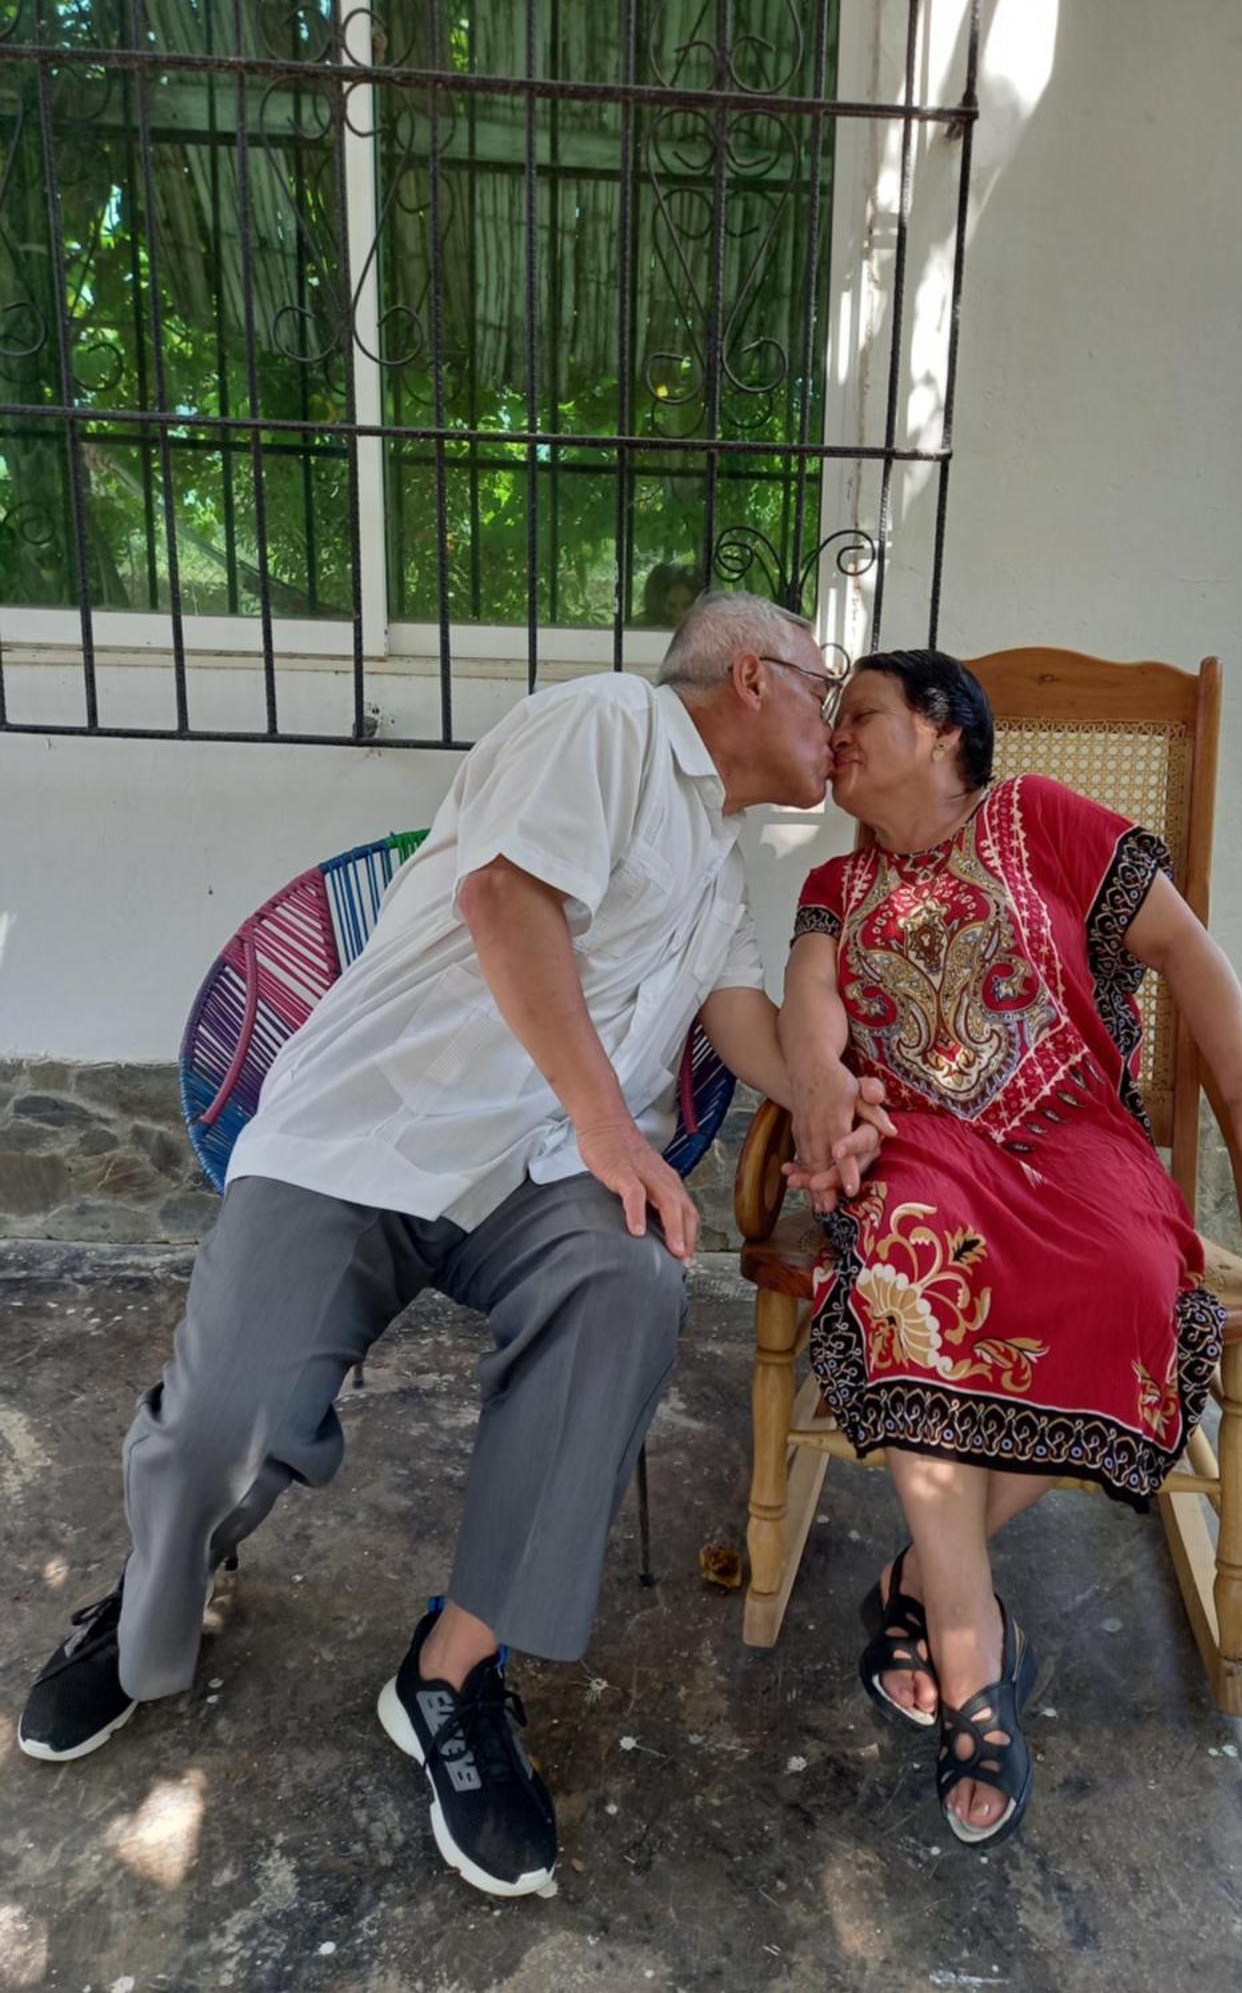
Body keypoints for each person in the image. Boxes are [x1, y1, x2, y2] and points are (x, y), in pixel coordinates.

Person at [17, 591, 889, 1901]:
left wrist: (819, 1094)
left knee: (633, 1281)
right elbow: (504, 897)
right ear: (755, 677)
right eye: (828, 691)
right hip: (370, 1137)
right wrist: (613, 1121)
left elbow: (740, 1021)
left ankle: (450, 1674)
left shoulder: (723, 860)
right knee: (222, 1428)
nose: (837, 724)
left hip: (540, 1182)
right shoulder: (608, 728)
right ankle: (159, 1575)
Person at [779, 650, 1242, 1848]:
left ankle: (914, 1584)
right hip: (919, 1144)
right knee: (911, 1271)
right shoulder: (832, 880)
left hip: (1076, 1134)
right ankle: (978, 1657)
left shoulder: (1044, 817)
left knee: (1133, 1284)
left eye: (861, 713)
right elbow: (809, 994)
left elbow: (1185, 952)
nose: (837, 737)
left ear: (942, 729)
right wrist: (818, 1076)